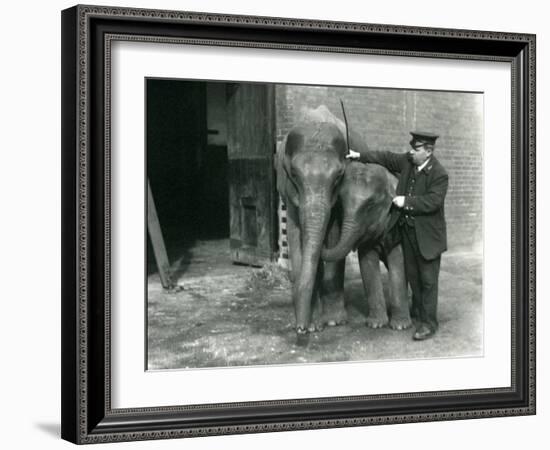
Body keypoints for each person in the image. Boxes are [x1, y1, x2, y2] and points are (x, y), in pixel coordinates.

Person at [347, 131, 449, 341]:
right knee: (414, 278)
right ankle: (420, 312)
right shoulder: (408, 162)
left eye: (417, 149)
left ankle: (429, 324)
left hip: (428, 237)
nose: (412, 152)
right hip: (407, 234)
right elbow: (385, 157)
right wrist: (360, 156)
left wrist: (406, 202)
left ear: (428, 151)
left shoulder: (439, 174)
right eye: (412, 147)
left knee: (428, 281)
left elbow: (433, 202)